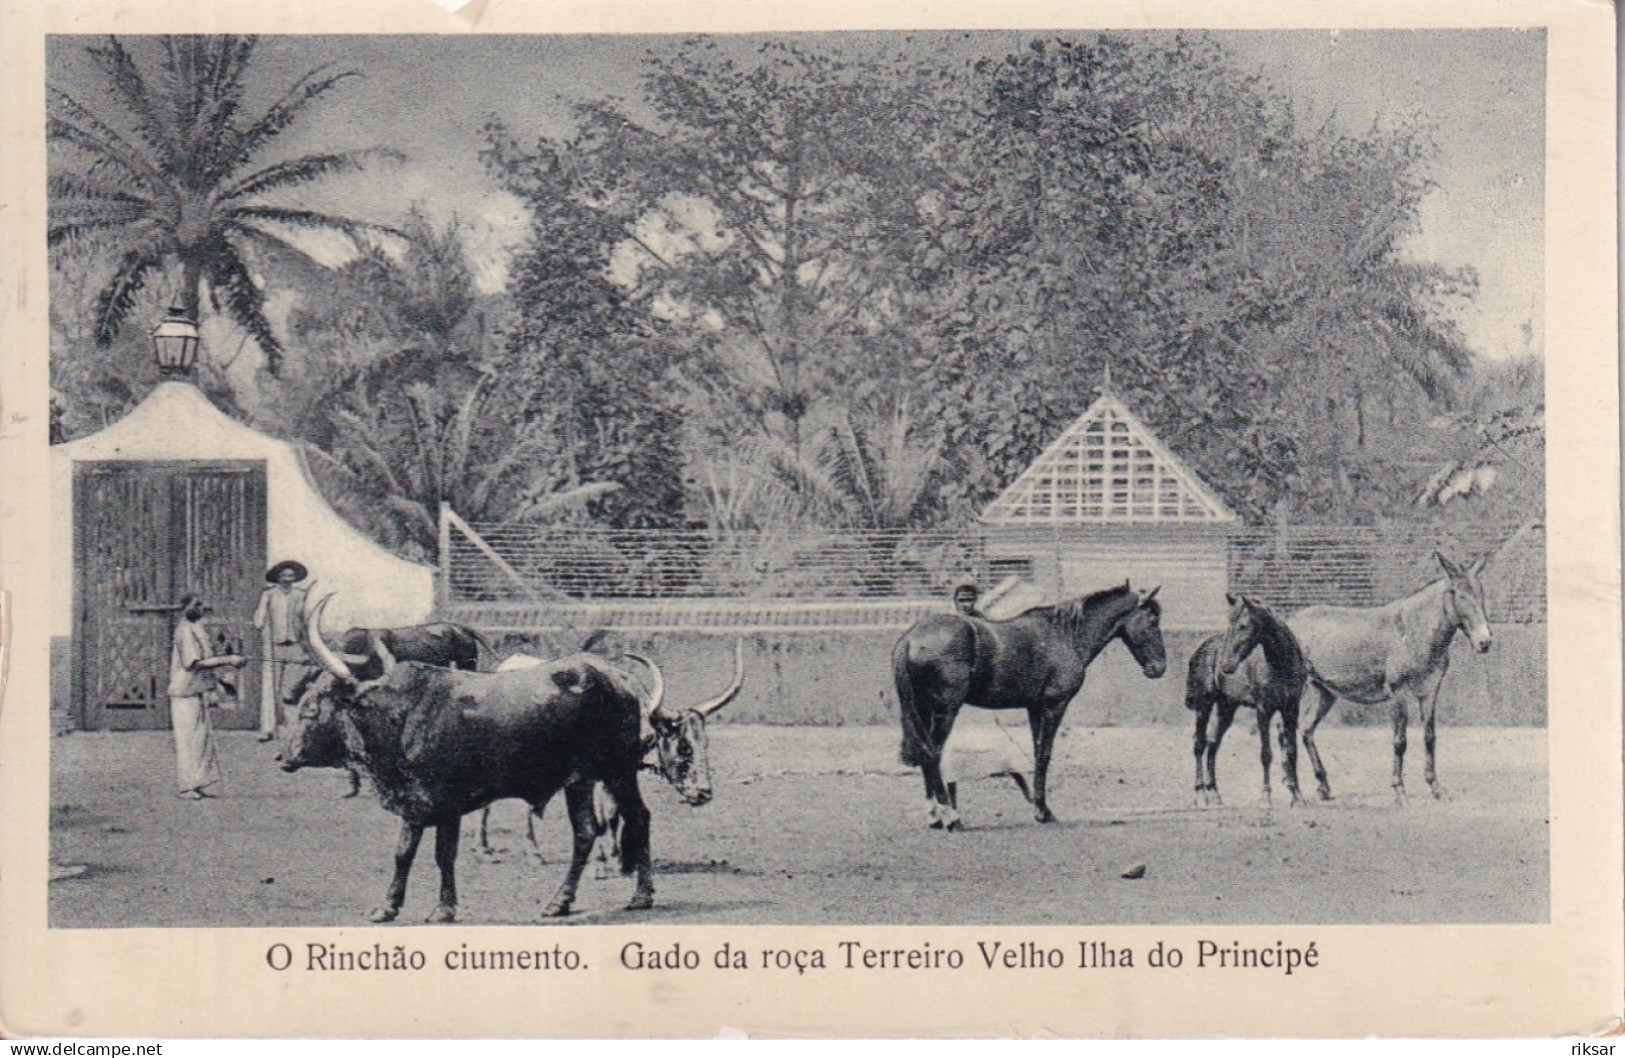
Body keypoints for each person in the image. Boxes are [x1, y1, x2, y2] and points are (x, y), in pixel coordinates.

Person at [168, 594, 244, 800]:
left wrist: (221, 679)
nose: (201, 608)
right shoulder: (184, 631)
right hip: (184, 692)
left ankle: (199, 782)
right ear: (184, 607)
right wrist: (229, 659)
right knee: (187, 740)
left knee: (201, 739)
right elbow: (194, 664)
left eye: (201, 604)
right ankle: (186, 786)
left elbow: (206, 662)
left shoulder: (196, 629)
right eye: (196, 605)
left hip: (197, 690)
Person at [253, 559, 311, 741]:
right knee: (271, 687)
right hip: (274, 647)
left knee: (292, 688)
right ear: (277, 578)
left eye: (290, 576)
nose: (287, 579)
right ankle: (268, 728)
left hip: (295, 646)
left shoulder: (300, 595)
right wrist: (262, 623)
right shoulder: (269, 595)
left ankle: (294, 729)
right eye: (284, 576)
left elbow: (306, 619)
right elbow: (259, 620)